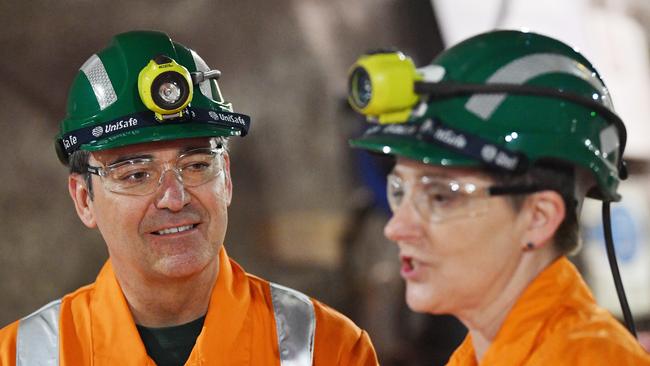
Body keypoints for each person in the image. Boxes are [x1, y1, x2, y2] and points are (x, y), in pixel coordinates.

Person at [0, 30, 378, 366]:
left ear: (226, 178)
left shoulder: (327, 349)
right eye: (135, 174)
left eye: (196, 165)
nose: (174, 198)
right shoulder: (21, 355)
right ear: (84, 199)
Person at [347, 30, 650, 364]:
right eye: (399, 191)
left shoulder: (587, 359)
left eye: (441, 197)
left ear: (539, 217)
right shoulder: (480, 354)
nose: (397, 228)